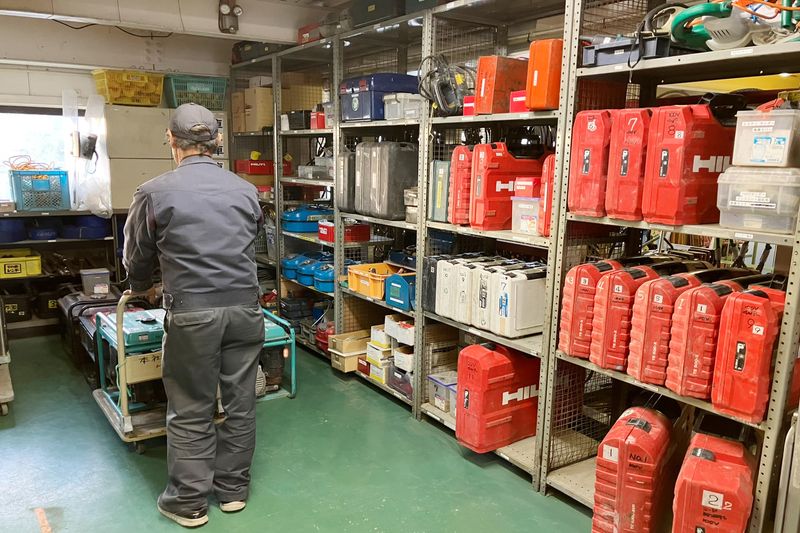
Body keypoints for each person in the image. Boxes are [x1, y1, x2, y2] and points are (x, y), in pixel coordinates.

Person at [123, 103, 264, 528]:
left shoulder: (154, 192)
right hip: (245, 310)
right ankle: (233, 491)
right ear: (216, 141)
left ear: (171, 140)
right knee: (240, 403)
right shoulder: (246, 190)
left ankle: (188, 502)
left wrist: (141, 285)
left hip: (192, 314)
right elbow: (253, 240)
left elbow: (137, 254)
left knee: (190, 407)